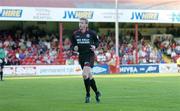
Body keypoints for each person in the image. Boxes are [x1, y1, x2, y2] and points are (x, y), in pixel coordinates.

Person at [71, 18, 101, 103]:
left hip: (90, 55)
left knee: (84, 74)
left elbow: (97, 42)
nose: (80, 24)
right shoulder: (75, 34)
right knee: (89, 76)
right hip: (81, 56)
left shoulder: (92, 33)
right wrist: (74, 47)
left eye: (82, 23)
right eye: (79, 23)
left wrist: (95, 46)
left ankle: (88, 95)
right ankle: (97, 92)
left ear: (86, 25)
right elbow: (73, 44)